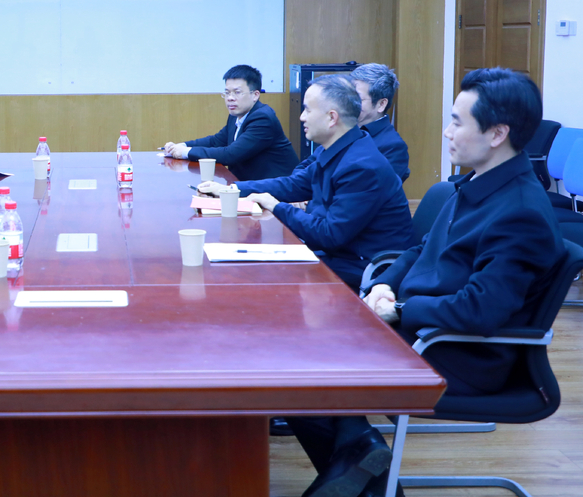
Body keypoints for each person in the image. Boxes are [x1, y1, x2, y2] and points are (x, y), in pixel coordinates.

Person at [285, 68, 568, 497]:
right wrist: (385, 285)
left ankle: (364, 468)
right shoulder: (478, 184)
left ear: (497, 134)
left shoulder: (520, 212)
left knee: (301, 371)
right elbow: (421, 249)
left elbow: (479, 310)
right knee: (300, 358)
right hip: (422, 330)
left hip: (457, 353)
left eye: (457, 122)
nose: (447, 132)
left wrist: (399, 310)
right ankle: (362, 461)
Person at [200, 75, 413, 291]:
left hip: (361, 268)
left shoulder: (362, 166)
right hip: (335, 255)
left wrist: (276, 206)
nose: (302, 117)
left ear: (332, 118)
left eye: (308, 110)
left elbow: (330, 235)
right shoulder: (337, 148)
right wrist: (232, 189)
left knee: (259, 278)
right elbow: (294, 185)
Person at [163, 64, 298, 180]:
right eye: (227, 93)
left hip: (277, 190)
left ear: (255, 95)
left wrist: (185, 152)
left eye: (237, 92)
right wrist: (181, 146)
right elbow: (215, 141)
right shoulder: (236, 114)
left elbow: (230, 155)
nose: (230, 98)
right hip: (248, 184)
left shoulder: (263, 119)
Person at [350, 63, 410, 183]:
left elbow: (371, 189)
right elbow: (312, 169)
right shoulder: (343, 129)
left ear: (381, 104)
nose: (350, 103)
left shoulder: (393, 147)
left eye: (358, 99)